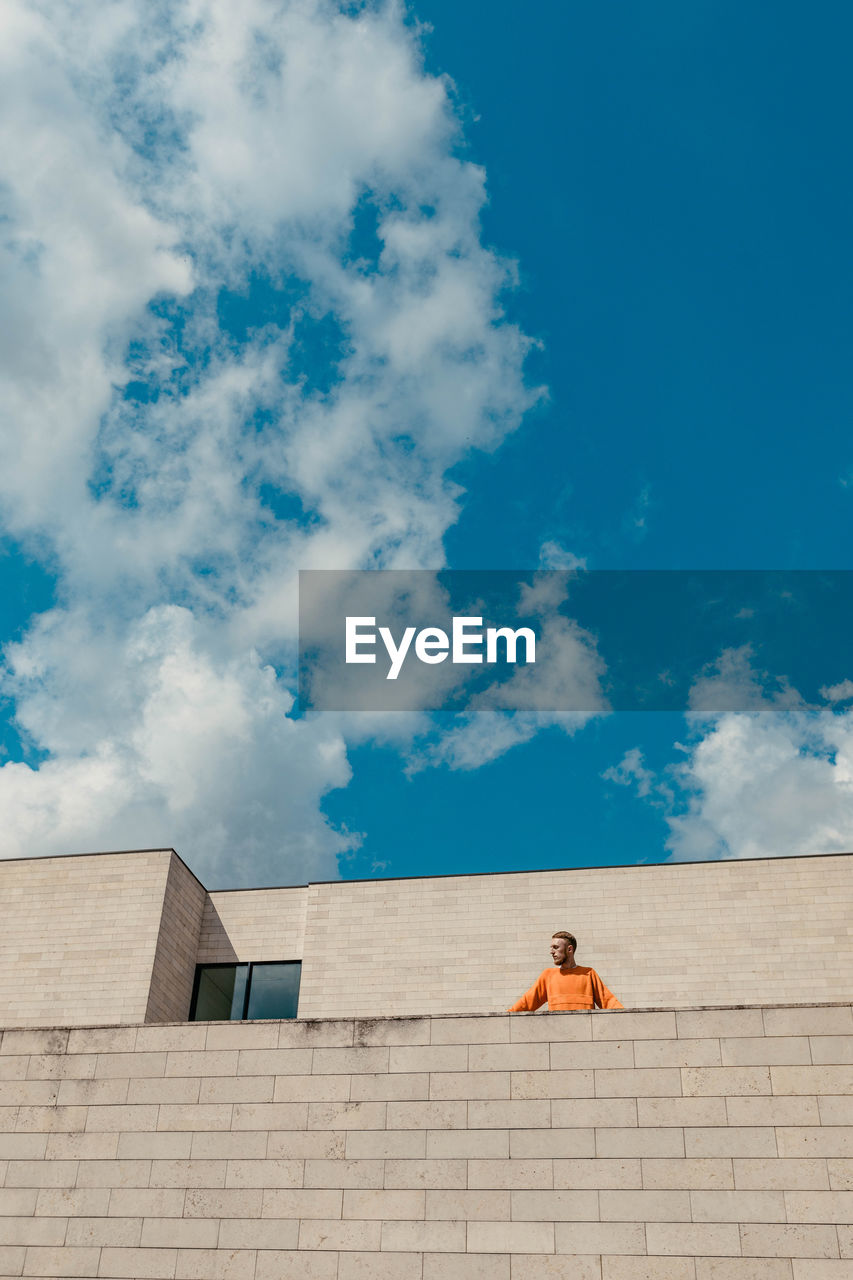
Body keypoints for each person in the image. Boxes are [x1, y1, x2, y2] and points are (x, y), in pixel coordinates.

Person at [508, 931, 623, 1012]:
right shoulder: (548, 975)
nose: (551, 952)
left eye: (556, 947)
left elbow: (609, 1002)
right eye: (551, 948)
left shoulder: (588, 974)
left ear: (569, 949)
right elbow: (526, 1003)